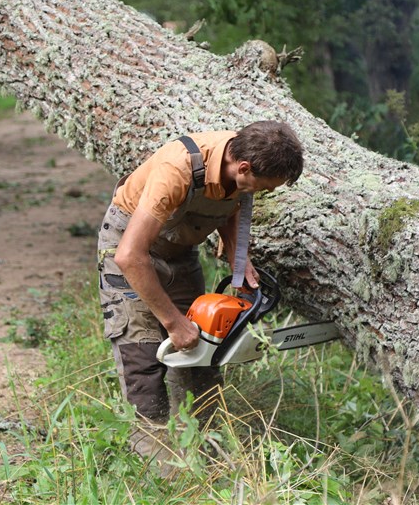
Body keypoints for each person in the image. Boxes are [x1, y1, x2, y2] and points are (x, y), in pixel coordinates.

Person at [97, 120, 303, 468]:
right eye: (264, 188)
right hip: (129, 251)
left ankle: (204, 456)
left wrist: (240, 259)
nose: (263, 194)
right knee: (143, 359)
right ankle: (159, 468)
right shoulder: (176, 169)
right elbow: (130, 255)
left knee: (203, 353)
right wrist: (174, 323)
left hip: (181, 250)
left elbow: (233, 201)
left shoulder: (238, 166)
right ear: (243, 168)